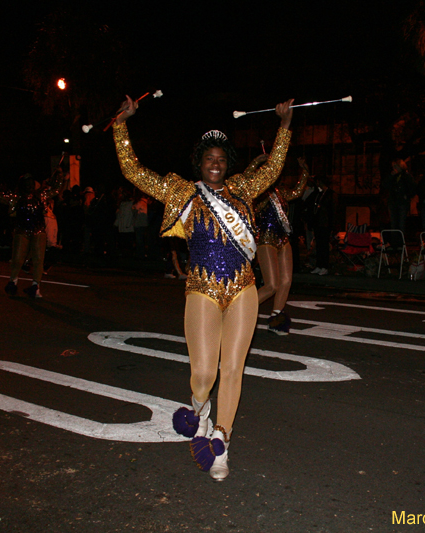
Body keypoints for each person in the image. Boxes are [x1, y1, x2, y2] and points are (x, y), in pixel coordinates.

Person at [112, 95, 293, 481]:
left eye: (222, 159)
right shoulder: (182, 192)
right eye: (209, 158)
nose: (216, 164)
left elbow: (275, 167)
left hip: (242, 288)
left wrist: (284, 127)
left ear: (228, 163)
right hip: (202, 289)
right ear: (200, 161)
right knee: (204, 375)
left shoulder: (243, 189)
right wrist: (121, 126)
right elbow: (133, 171)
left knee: (234, 369)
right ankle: (199, 406)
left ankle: (221, 441)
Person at [253, 156, 309, 335]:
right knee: (271, 285)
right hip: (265, 240)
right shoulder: (257, 193)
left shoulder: (280, 192)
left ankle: (276, 321)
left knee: (286, 281)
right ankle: (239, 311)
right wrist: (255, 163)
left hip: (282, 239)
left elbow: (297, 192)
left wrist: (305, 171)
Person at [0, 172, 65, 298]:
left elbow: (55, 190)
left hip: (38, 230)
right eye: (27, 184)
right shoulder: (16, 197)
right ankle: (13, 281)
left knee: (38, 260)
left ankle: (35, 286)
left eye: (31, 184)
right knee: (18, 258)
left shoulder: (40, 195)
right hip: (22, 231)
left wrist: (59, 177)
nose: (29, 187)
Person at [310, 175, 334, 275]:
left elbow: (332, 211)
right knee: (318, 245)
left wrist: (331, 226)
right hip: (318, 224)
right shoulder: (318, 194)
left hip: (325, 224)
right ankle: (319, 265)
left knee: (324, 246)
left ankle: (325, 266)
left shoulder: (330, 194)